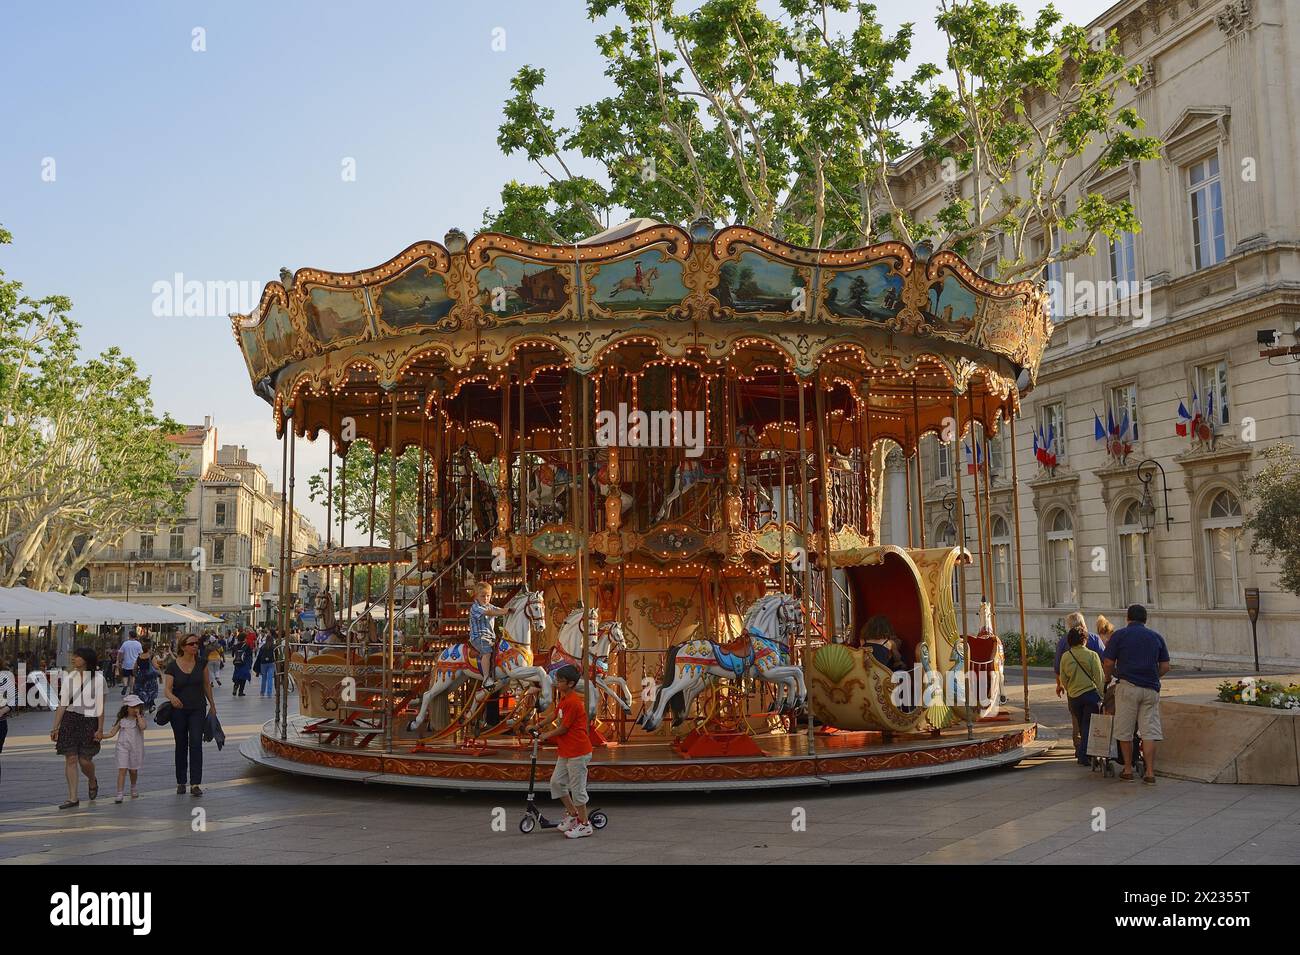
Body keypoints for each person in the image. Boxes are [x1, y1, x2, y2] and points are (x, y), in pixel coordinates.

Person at [1102, 605, 1168, 784]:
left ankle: (1128, 769)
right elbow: (1165, 666)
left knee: (1125, 730)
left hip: (1128, 687)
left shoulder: (1119, 636)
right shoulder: (1156, 637)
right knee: (1149, 731)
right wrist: (1153, 676)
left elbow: (1108, 662)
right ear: (1145, 619)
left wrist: (1110, 676)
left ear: (1128, 618)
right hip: (1151, 689)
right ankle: (1150, 772)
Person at [535, 664, 594, 839]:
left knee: (577, 789)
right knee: (556, 783)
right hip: (567, 751)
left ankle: (585, 825)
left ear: (570, 683)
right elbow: (555, 714)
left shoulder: (574, 702)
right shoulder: (564, 699)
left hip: (578, 751)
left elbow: (564, 728)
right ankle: (573, 815)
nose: (556, 683)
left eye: (560, 681)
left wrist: (545, 735)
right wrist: (538, 724)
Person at [50, 648, 106, 809]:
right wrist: (55, 727)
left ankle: (92, 778)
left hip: (89, 720)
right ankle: (73, 797)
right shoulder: (69, 678)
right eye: (74, 656)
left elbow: (100, 707)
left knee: (84, 760)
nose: (74, 658)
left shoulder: (99, 680)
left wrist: (100, 729)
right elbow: (63, 704)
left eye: (77, 656)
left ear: (87, 660)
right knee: (71, 758)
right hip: (70, 719)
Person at [164, 634, 217, 796]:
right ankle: (181, 781)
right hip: (178, 711)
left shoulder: (202, 664)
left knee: (195, 743)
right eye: (192, 643)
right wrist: (172, 698)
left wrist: (212, 706)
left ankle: (195, 783)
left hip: (197, 709)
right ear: (183, 647)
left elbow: (207, 685)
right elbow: (167, 689)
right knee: (181, 744)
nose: (195, 646)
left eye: (197, 643)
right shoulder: (172, 666)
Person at [1054, 612, 1106, 751]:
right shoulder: (1094, 639)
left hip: (1074, 692)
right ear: (1083, 624)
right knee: (1092, 721)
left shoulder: (1064, 641)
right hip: (1092, 690)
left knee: (1076, 721)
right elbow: (1105, 663)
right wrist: (1103, 692)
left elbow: (1059, 669)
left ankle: (1079, 748)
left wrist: (1062, 686)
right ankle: (1091, 750)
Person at [102, 694, 147, 802]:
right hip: (122, 747)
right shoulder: (122, 720)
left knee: (133, 771)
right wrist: (101, 736)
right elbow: (112, 733)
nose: (134, 709)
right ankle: (120, 793)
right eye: (132, 707)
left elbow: (143, 727)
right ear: (126, 708)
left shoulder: (139, 720)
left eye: (137, 706)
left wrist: (139, 716)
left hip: (135, 748)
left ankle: (133, 786)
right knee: (122, 769)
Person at [469, 581, 508, 691]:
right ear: (476, 595)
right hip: (478, 637)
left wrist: (510, 610)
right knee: (487, 652)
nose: (486, 598)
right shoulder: (475, 607)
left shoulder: (489, 605)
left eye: (488, 596)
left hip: (490, 637)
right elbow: (489, 613)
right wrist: (504, 612)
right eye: (483, 596)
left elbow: (497, 609)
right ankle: (486, 679)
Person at [134, 639, 159, 712]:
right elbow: (156, 666)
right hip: (150, 676)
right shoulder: (151, 656)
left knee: (141, 690)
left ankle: (143, 705)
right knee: (151, 690)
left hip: (141, 676)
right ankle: (151, 705)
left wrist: (135, 674)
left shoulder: (139, 657)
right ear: (148, 649)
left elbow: (135, 667)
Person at [118, 628, 143, 695]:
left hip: (126, 663)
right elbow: (141, 654)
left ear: (129, 636)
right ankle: (131, 690)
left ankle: (125, 685)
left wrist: (118, 660)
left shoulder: (125, 643)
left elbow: (120, 652)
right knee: (133, 677)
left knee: (125, 676)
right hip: (134, 663)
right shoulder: (138, 644)